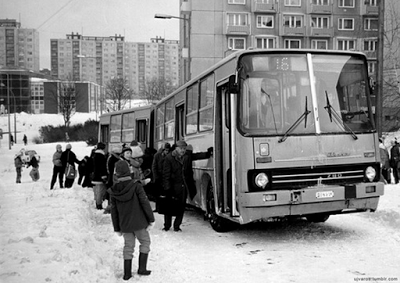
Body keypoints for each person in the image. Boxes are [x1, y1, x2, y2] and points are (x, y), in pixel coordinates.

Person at [109, 159, 155, 280]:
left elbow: (114, 211)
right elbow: (145, 203)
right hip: (139, 222)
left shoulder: (114, 190)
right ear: (128, 171)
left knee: (128, 246)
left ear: (117, 173)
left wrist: (117, 228)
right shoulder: (136, 186)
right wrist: (151, 219)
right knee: (145, 242)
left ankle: (127, 273)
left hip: (125, 224)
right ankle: (142, 268)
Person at [162, 140, 212, 232]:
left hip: (184, 186)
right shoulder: (169, 158)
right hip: (173, 186)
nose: (183, 150)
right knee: (169, 206)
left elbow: (196, 156)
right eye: (181, 148)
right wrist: (167, 188)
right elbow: (166, 174)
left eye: (184, 148)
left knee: (181, 206)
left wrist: (207, 154)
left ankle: (177, 226)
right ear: (176, 148)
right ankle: (167, 226)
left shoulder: (187, 156)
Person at [104, 144, 123, 214]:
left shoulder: (111, 158)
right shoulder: (114, 159)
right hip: (114, 178)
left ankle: (111, 207)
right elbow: (111, 170)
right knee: (113, 193)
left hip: (112, 178)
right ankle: (111, 208)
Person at [151, 143, 171, 210]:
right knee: (158, 193)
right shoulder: (157, 155)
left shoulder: (169, 156)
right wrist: (156, 177)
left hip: (166, 177)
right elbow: (154, 167)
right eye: (165, 150)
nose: (167, 152)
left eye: (168, 150)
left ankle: (164, 207)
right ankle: (158, 207)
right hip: (159, 177)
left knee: (165, 192)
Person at [92, 142, 108, 210]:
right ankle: (99, 205)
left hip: (94, 175)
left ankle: (97, 203)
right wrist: (104, 175)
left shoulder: (94, 154)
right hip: (99, 176)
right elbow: (102, 167)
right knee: (100, 191)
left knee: (96, 191)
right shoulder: (101, 156)